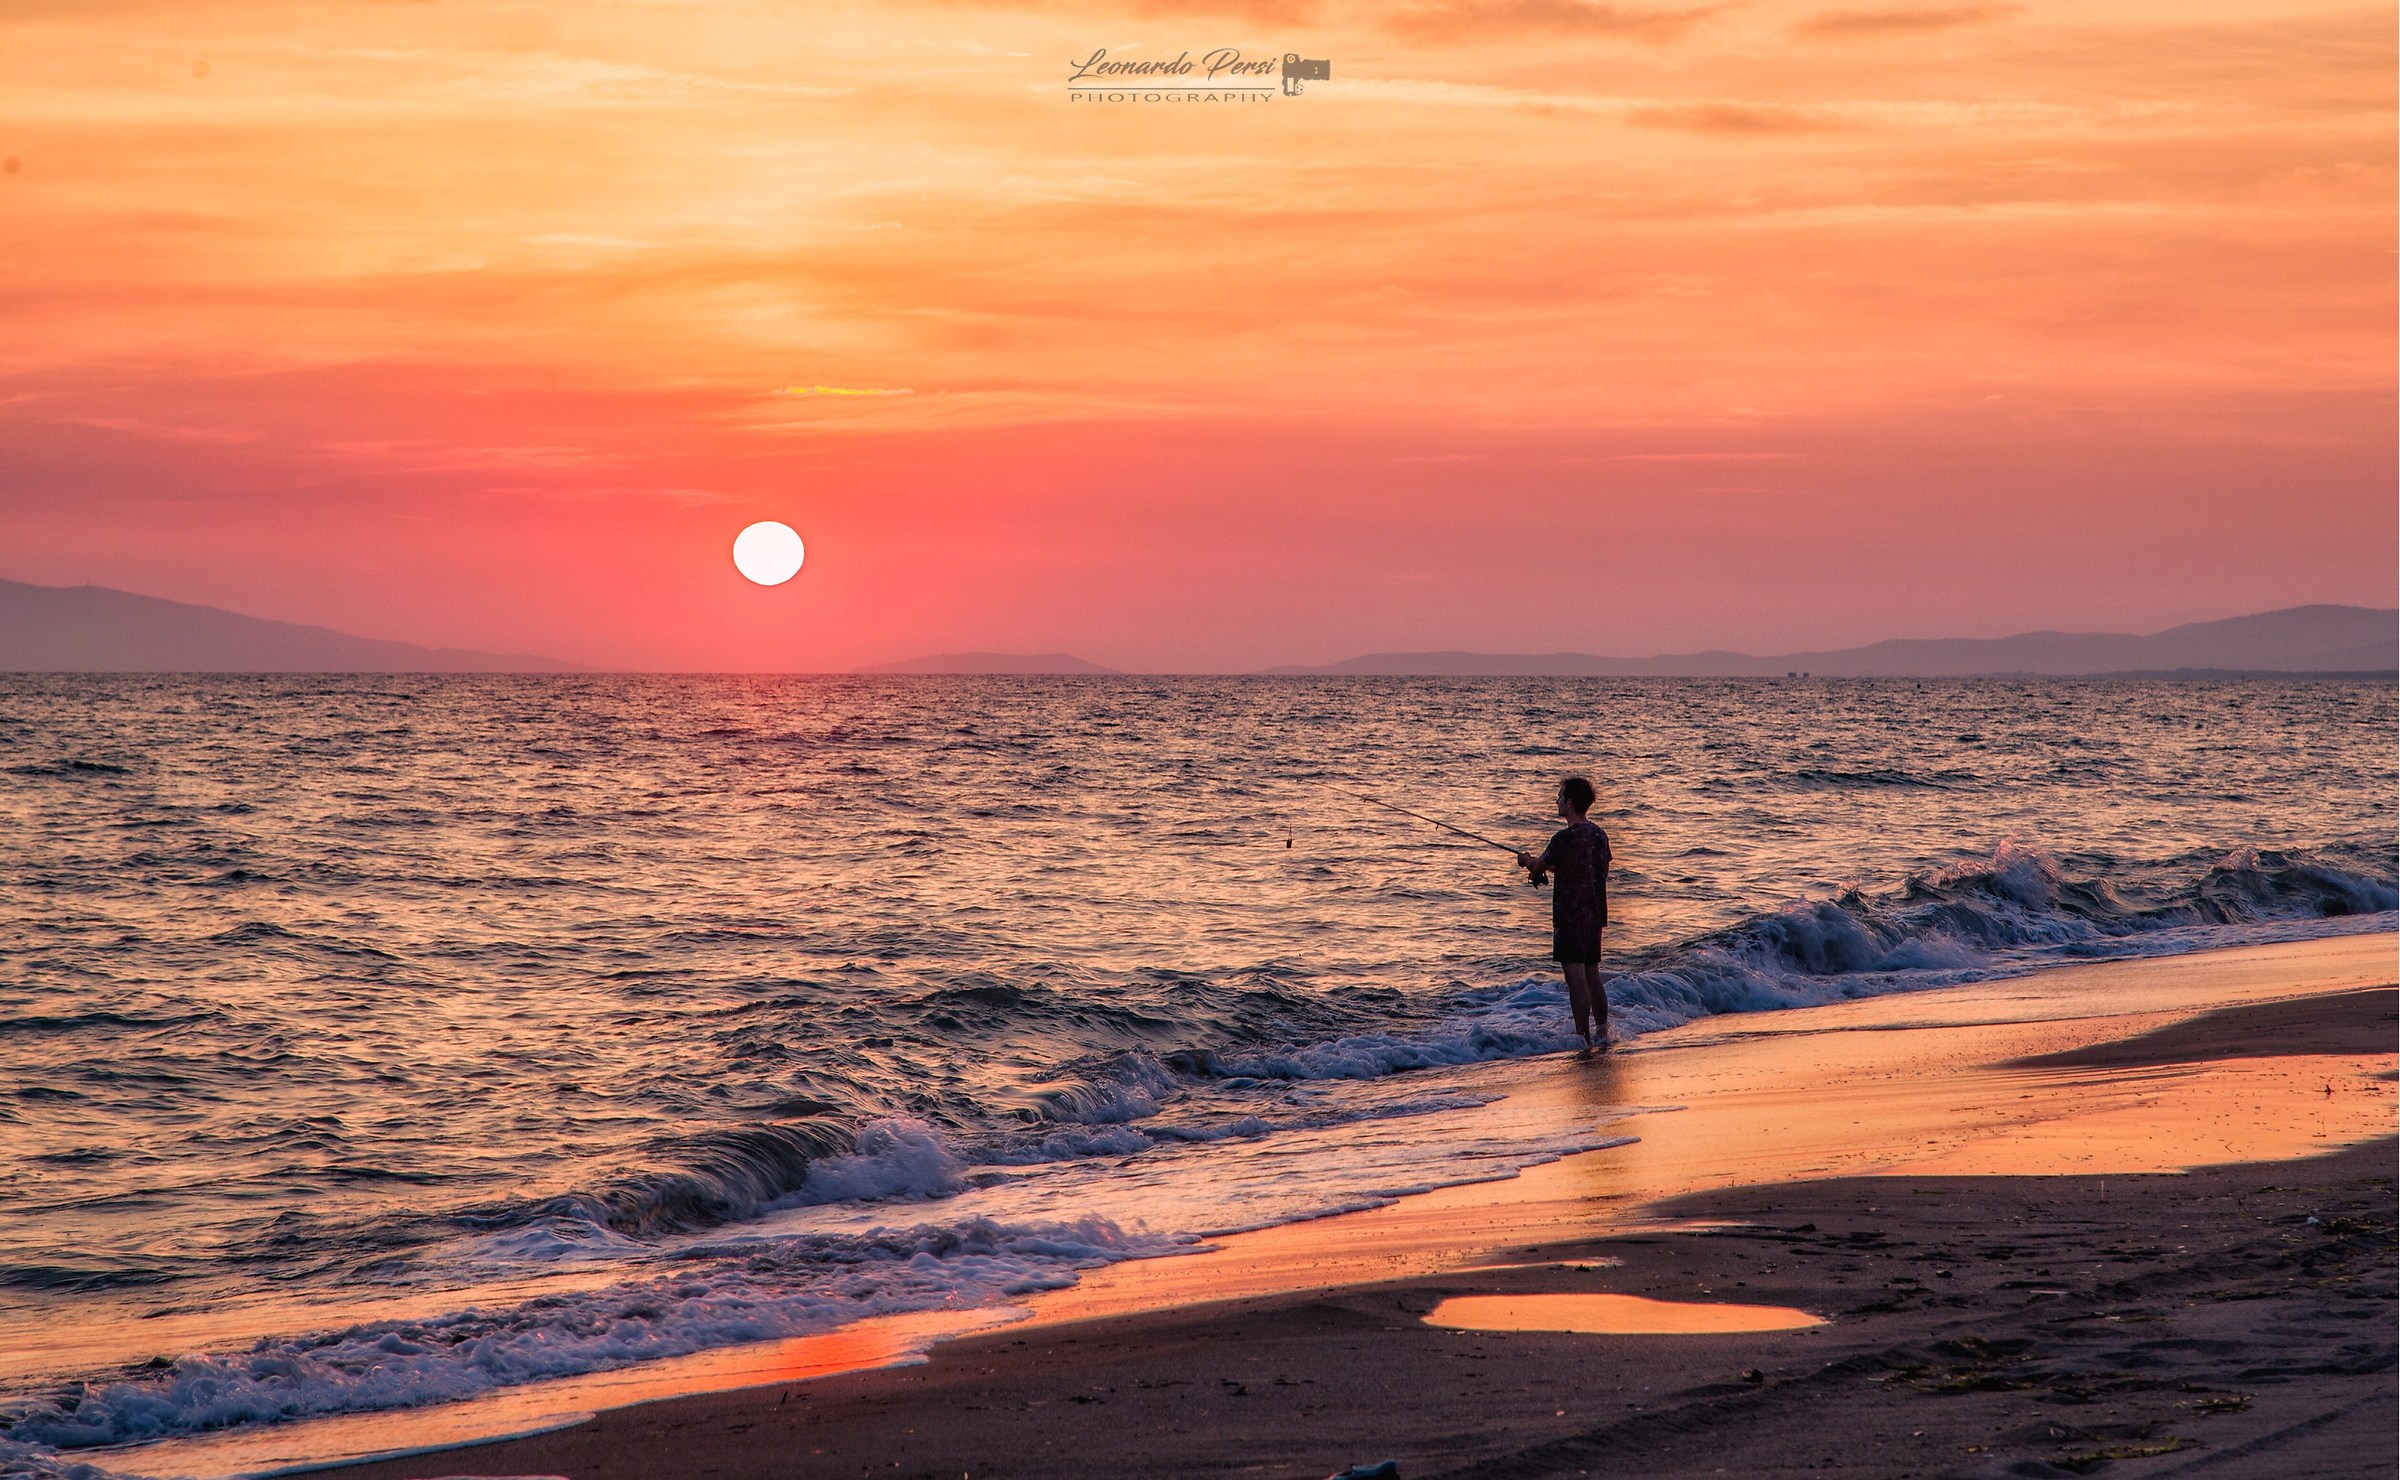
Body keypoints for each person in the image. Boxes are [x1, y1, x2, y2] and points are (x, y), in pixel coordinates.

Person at [1515, 776, 1612, 1056]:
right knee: (1592, 971)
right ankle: (1603, 1030)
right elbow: (1591, 868)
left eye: (1559, 797)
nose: (1556, 802)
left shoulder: (1563, 838)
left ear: (1570, 803)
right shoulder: (1599, 835)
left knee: (1575, 976)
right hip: (1595, 914)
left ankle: (1583, 1038)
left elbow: (1538, 864)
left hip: (1570, 916)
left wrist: (1526, 860)